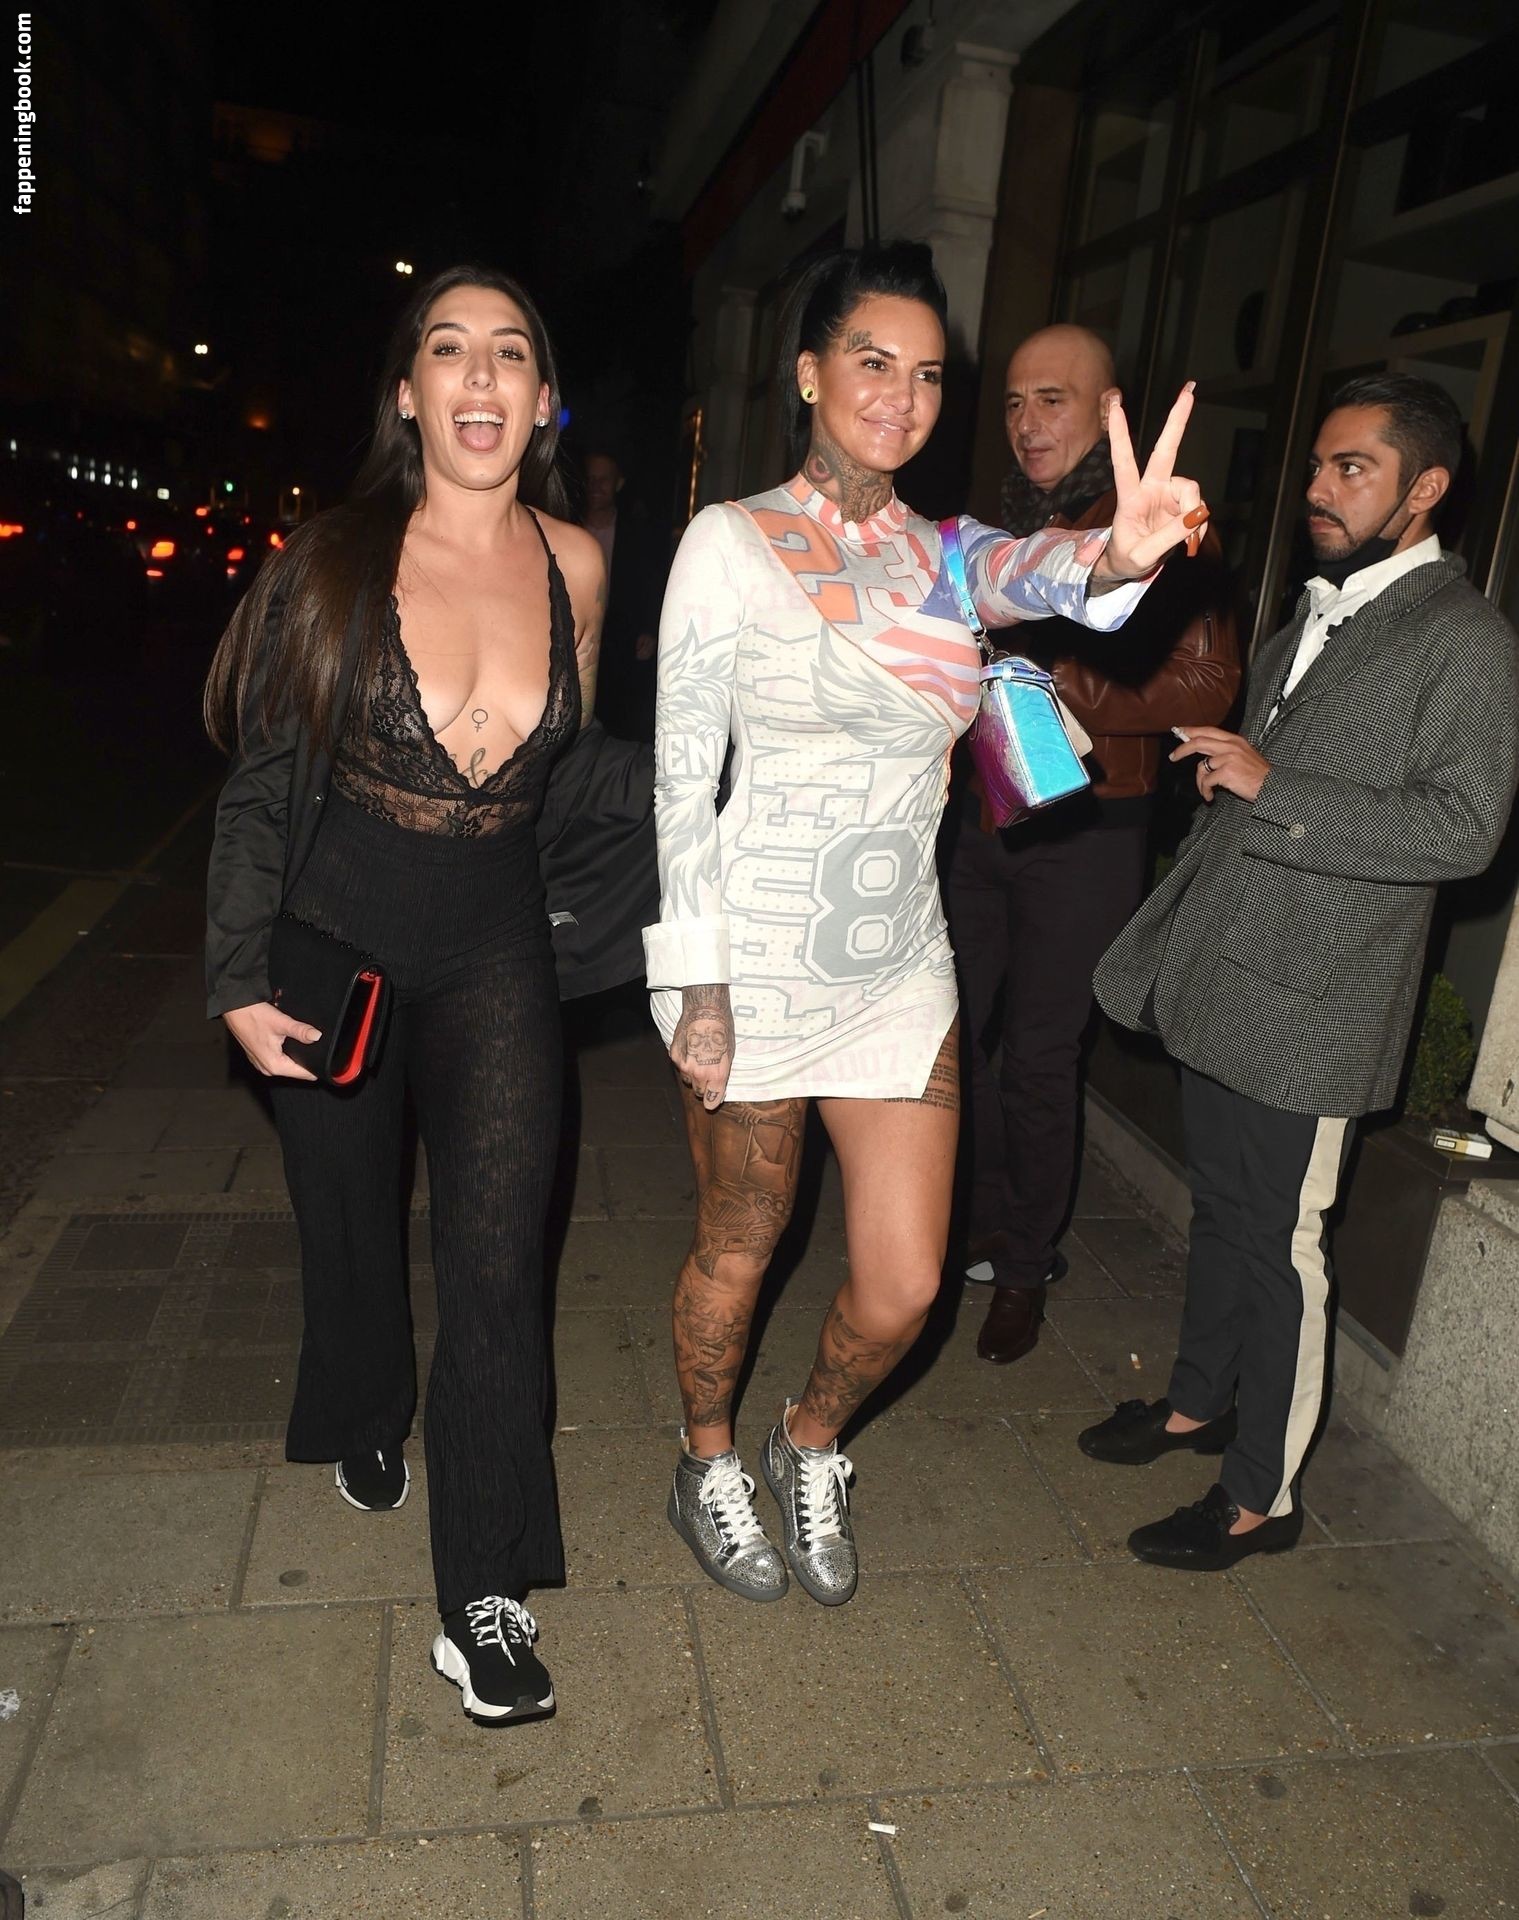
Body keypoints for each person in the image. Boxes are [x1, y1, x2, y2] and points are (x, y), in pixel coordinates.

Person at [645, 242, 1208, 1606]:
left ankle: (806, 1442)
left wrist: (1121, 552)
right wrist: (696, 981)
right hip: (753, 956)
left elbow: (1052, 574)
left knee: (903, 1287)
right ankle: (705, 1461)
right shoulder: (729, 541)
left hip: (898, 965)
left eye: (927, 375)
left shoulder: (946, 556)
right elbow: (678, 779)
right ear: (808, 374)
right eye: (870, 361)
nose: (899, 395)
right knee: (741, 1244)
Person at [203, 266, 604, 1720]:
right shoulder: (332, 560)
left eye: (510, 353)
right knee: (352, 1225)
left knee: (498, 1268)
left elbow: (571, 776)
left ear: (542, 401)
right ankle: (369, 1403)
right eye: (450, 350)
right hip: (337, 936)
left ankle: (482, 1592)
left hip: (494, 947)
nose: (481, 376)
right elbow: (263, 780)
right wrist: (235, 971)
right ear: (408, 394)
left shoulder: (578, 564)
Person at [1085, 372, 1518, 1572]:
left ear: (1424, 490)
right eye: (1319, 465)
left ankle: (1257, 1500)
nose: (1318, 490)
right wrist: (1234, 771)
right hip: (1231, 976)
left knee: (1281, 1245)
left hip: (1317, 1003)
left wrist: (1277, 785)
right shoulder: (1314, 613)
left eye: (1352, 469)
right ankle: (1197, 1402)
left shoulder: (1467, 641)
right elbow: (1290, 786)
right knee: (1224, 1214)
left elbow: (1463, 829)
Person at [944, 324, 1240, 1366]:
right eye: (1015, 401)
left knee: (1037, 1052)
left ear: (1108, 406)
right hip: (985, 809)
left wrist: (1051, 677)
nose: (1028, 422)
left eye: (1053, 400)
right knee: (950, 1032)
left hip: (1089, 820)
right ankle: (981, 1222)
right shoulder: (1000, 528)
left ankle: (1024, 1265)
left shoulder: (1152, 521)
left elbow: (1208, 682)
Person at [583, 449, 665, 742]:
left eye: (603, 480)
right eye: (590, 479)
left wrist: (650, 630)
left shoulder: (637, 534)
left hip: (622, 648)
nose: (596, 487)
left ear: (618, 483)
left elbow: (652, 584)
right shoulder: (567, 527)